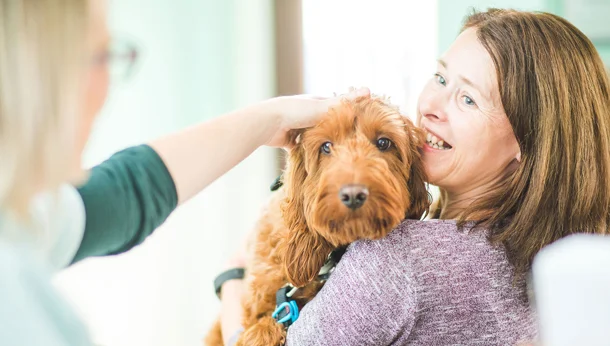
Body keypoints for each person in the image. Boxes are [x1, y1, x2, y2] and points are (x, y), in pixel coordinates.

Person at [219, 8, 610, 346]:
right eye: (440, 79)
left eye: (468, 99)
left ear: (528, 142)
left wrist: (232, 278)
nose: (432, 107)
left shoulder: (396, 257)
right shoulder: (549, 261)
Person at [0, 0, 370, 344]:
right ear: (39, 74)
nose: (108, 84)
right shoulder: (13, 293)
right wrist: (232, 287)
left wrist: (270, 117)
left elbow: (128, 191)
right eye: (102, 57)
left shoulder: (20, 218)